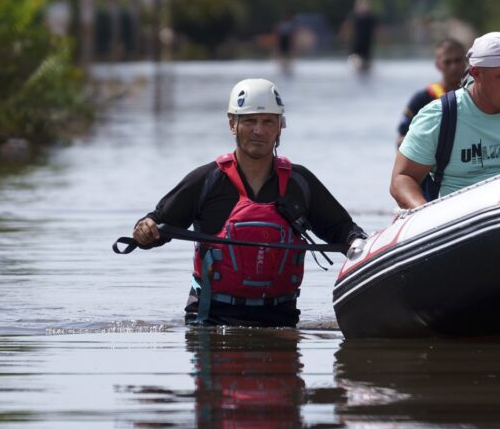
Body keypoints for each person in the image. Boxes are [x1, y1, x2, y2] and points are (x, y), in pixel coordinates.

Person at [129, 78, 365, 327]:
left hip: (281, 319)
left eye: (268, 122)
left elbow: (342, 229)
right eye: (250, 121)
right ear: (232, 124)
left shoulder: (300, 183)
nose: (259, 131)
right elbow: (157, 223)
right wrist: (144, 230)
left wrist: (357, 242)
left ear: (280, 126)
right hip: (211, 320)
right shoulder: (207, 180)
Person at [390, 31, 500, 208]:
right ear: (476, 73)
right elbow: (402, 178)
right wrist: (424, 211)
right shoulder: (438, 117)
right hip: (462, 219)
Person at [396, 38, 467, 146]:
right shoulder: (422, 99)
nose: (453, 67)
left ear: (466, 60)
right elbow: (400, 141)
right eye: (447, 62)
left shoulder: (476, 96)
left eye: (457, 60)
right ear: (438, 65)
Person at [347, 0, 375, 72]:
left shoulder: (371, 18)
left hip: (367, 48)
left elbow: (379, 30)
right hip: (356, 47)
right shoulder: (354, 18)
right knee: (357, 63)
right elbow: (347, 28)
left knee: (366, 66)